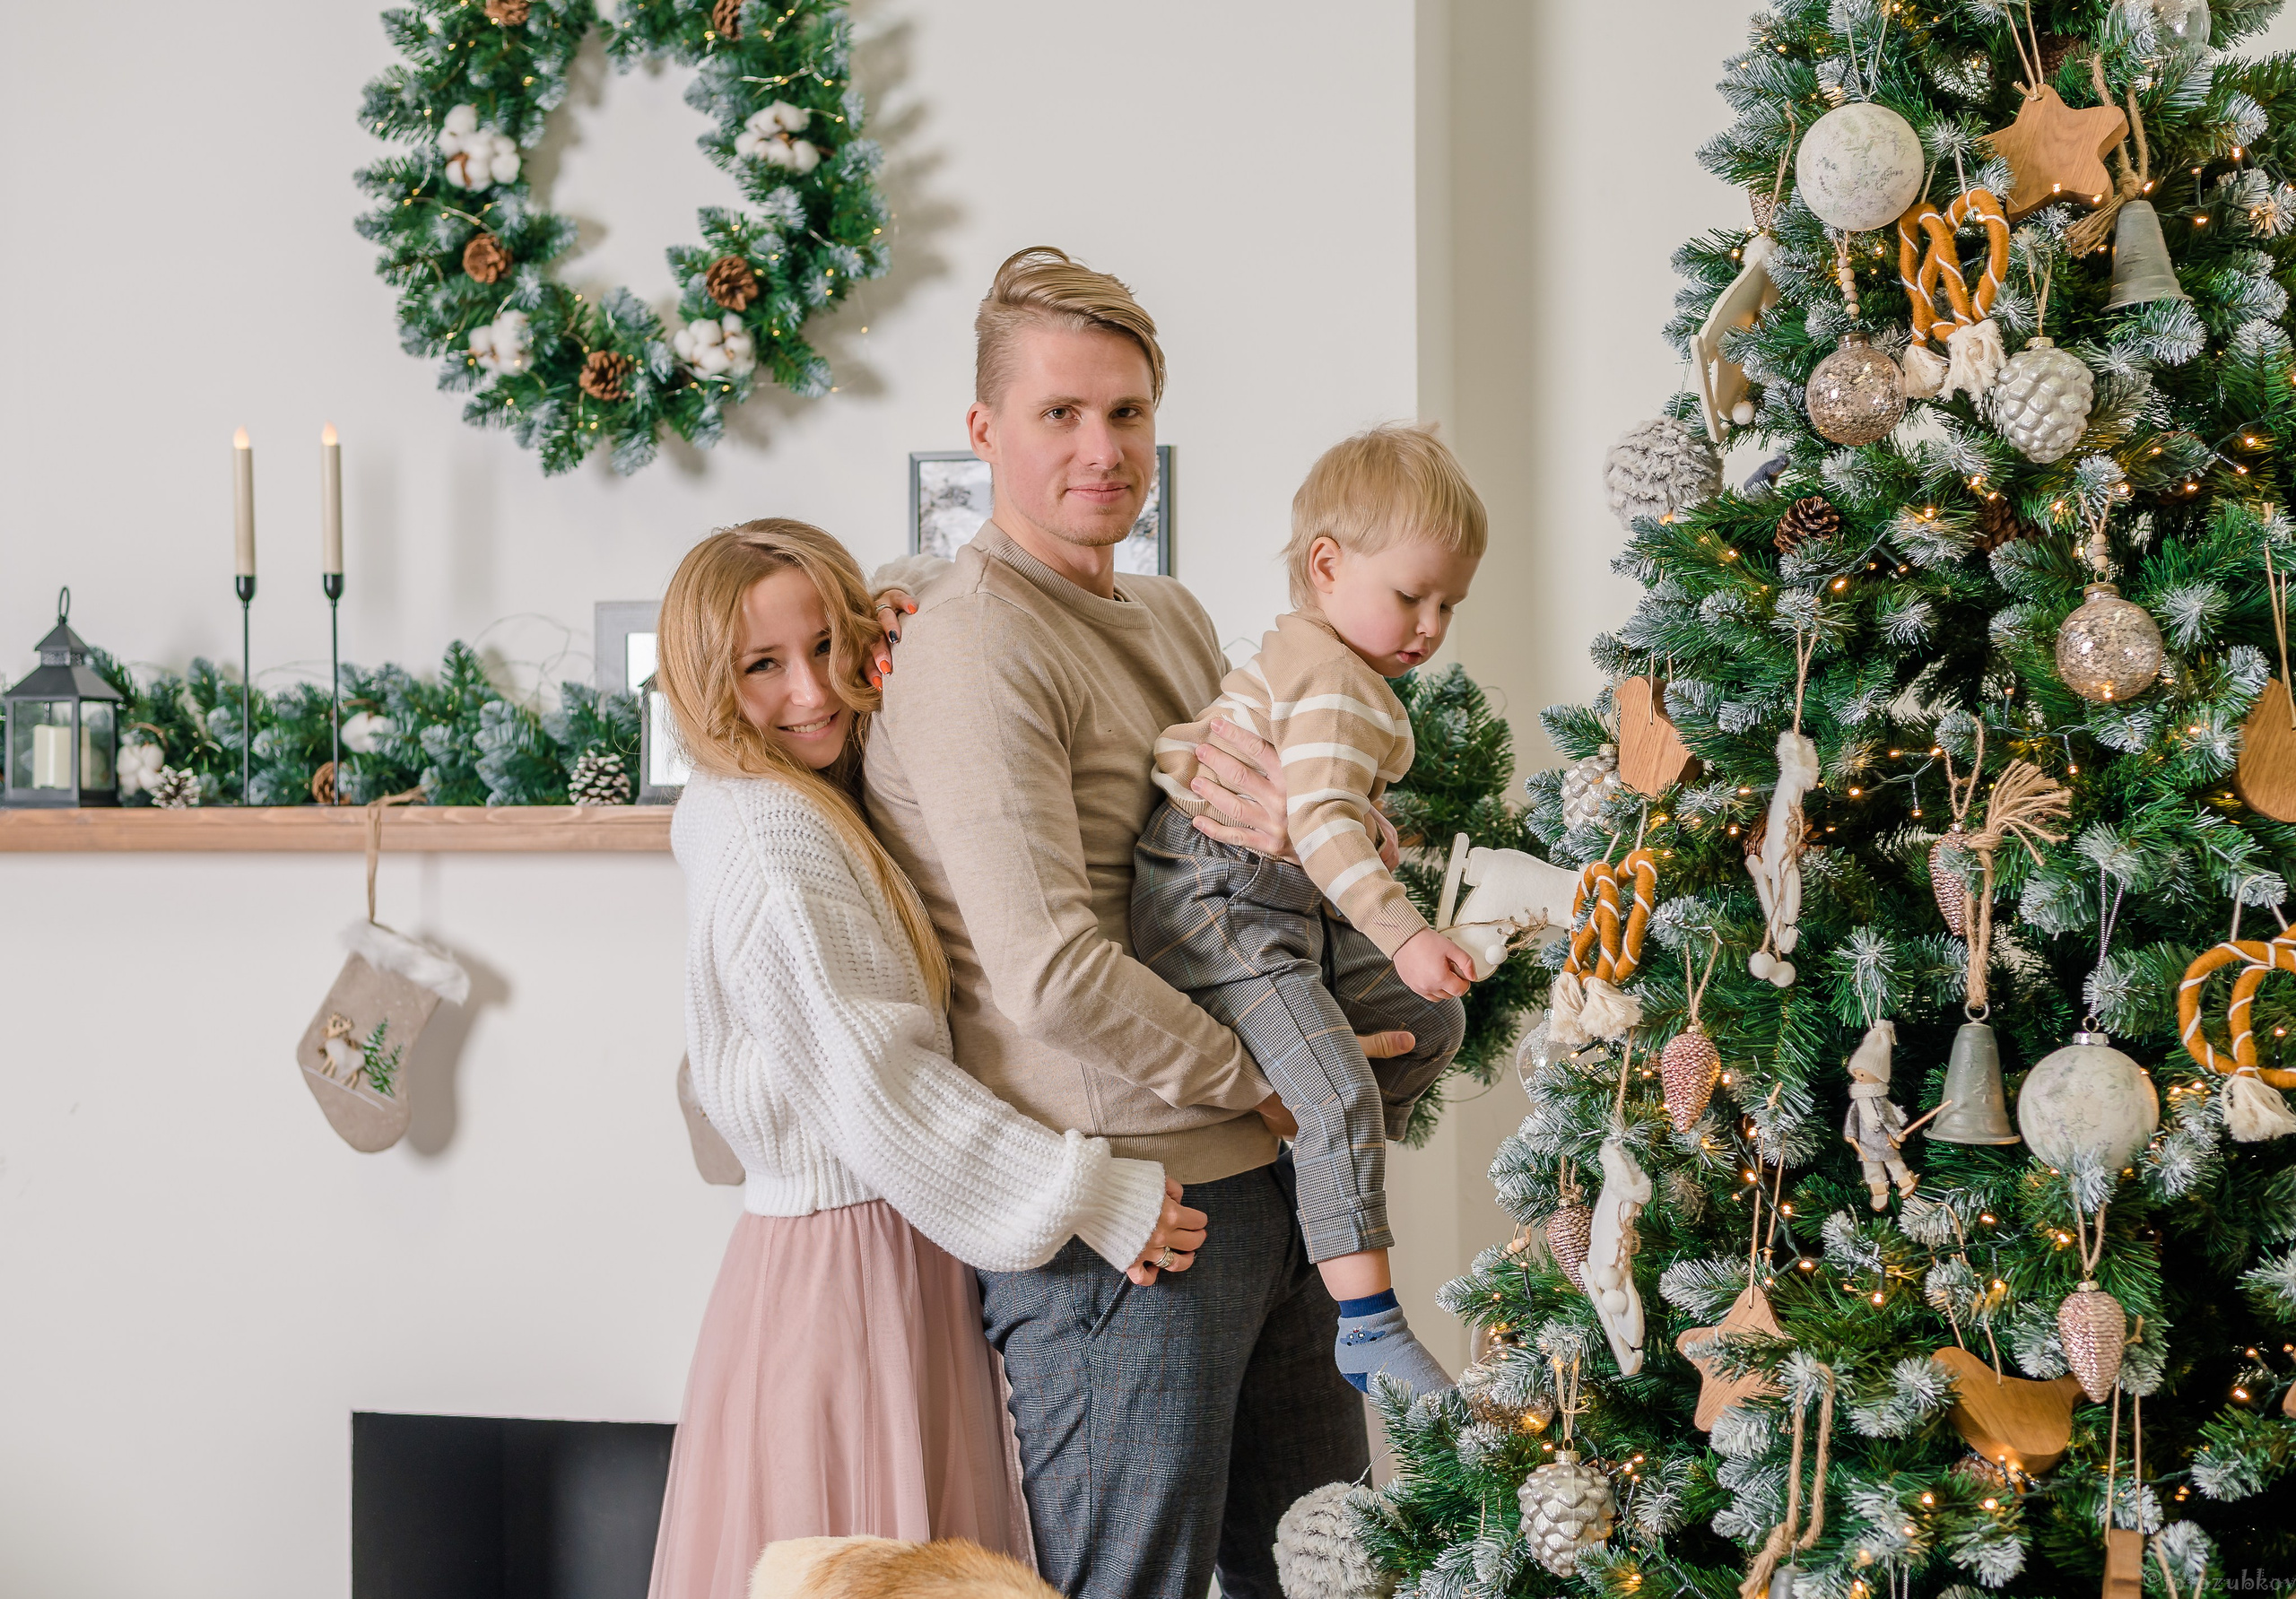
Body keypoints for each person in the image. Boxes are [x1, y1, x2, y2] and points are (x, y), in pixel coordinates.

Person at [864, 248, 1401, 1599]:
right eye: (1060, 413)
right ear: (983, 431)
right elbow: (1049, 975)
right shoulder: (970, 640)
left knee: (1331, 1575)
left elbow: (1243, 846)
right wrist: (1271, 1080)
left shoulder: (1170, 613)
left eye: (1128, 413)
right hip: (1136, 1219)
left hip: (1270, 1194)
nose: (1102, 447)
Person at [646, 519, 1210, 1599]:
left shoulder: (791, 789)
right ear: (708, 684)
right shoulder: (773, 839)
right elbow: (881, 1087)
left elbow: (913, 592)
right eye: (764, 667)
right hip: (848, 1274)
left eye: (827, 644)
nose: (813, 690)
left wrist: (899, 604)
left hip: (888, 1248)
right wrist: (1088, 1190)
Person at [1136, 422, 1485, 1399]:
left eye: (1447, 603)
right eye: (1409, 593)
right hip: (1220, 908)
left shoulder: (1317, 664)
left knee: (1427, 1020)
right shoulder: (1335, 680)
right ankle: (1366, 1325)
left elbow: (1216, 754)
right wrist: (1407, 932)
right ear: (1326, 566)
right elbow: (1320, 822)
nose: (1428, 624)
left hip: (1273, 900)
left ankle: (1325, 1177)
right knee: (1334, 1088)